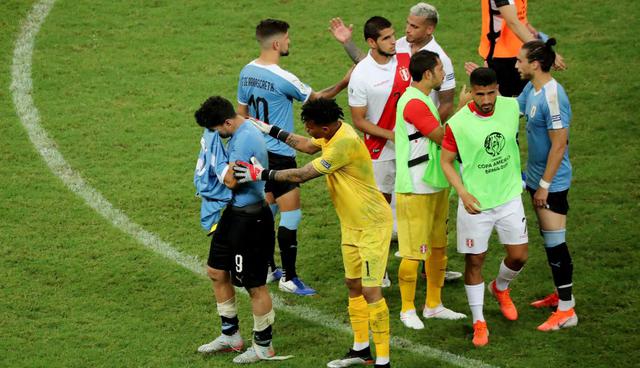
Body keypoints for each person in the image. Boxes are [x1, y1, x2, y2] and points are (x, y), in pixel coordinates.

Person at [234, 98, 392, 368]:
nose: (308, 130)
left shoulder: (343, 144)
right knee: (353, 285)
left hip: (372, 225)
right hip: (352, 224)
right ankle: (360, 350)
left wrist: (261, 174)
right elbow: (307, 146)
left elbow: (302, 175)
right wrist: (269, 129)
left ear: (326, 128)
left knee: (370, 289)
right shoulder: (333, 133)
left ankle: (383, 361)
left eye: (311, 126)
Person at [330, 5, 463, 282]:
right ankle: (379, 269)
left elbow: (377, 59)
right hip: (381, 150)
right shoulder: (382, 62)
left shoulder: (408, 57)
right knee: (379, 211)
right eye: (390, 36)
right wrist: (395, 135)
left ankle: (427, 265)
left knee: (419, 207)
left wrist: (419, 132)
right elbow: (362, 102)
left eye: (400, 33)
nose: (399, 37)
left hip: (413, 149)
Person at [238, 19, 350, 296]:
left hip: (255, 154)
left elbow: (241, 114)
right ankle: (290, 277)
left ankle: (266, 267)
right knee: (292, 214)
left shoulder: (246, 71)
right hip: (280, 154)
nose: (289, 43)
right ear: (277, 43)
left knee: (268, 211)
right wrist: (344, 82)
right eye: (287, 39)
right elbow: (318, 101)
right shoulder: (284, 78)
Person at [194, 96, 291, 364]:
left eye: (216, 131)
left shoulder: (244, 140)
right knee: (216, 271)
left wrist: (216, 161)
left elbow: (231, 182)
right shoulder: (236, 130)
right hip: (234, 215)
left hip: (252, 221)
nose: (215, 136)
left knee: (254, 285)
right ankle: (230, 335)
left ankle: (263, 346)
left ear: (227, 122)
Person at [440, 68, 529, 347]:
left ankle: (500, 288)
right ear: (472, 92)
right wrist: (463, 192)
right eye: (480, 94)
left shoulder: (512, 107)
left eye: (491, 92)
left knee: (519, 257)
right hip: (475, 204)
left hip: (509, 197)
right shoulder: (458, 123)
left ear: (497, 88)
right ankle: (479, 321)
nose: (487, 99)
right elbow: (446, 161)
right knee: (475, 261)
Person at [394, 50, 466, 330]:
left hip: (434, 183)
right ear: (428, 74)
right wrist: (461, 110)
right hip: (416, 187)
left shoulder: (422, 99)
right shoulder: (413, 103)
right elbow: (442, 137)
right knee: (414, 252)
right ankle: (407, 308)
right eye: (440, 69)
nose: (443, 74)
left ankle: (434, 305)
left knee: (437, 248)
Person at [515, 39, 577, 331]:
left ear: (535, 64)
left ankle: (567, 310)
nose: (516, 65)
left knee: (556, 243)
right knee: (548, 238)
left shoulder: (552, 96)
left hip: (550, 182)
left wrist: (544, 185)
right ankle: (562, 294)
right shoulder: (533, 88)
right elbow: (513, 109)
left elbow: (559, 144)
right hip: (535, 176)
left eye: (520, 61)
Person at [469, 0, 566, 97]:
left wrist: (538, 38)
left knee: (529, 100)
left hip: (522, 53)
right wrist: (543, 50)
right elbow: (513, 22)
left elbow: (520, 18)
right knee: (504, 105)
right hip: (501, 58)